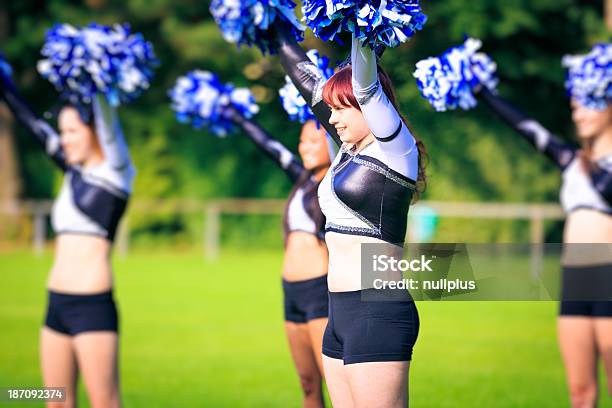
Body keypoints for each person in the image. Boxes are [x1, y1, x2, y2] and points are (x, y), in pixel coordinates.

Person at [275, 27, 427, 406]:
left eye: (343, 109)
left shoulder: (396, 150)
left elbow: (366, 84)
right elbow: (307, 83)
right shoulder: (346, 152)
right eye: (333, 110)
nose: (335, 119)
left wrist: (362, 27)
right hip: (337, 311)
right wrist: (274, 29)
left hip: (376, 312)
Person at [0, 66, 134, 408]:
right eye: (63, 131)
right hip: (55, 302)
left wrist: (97, 70)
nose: (65, 139)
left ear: (94, 131)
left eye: (73, 131)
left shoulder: (116, 172)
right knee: (54, 399)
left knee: (104, 401)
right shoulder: (72, 170)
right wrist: (5, 83)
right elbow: (30, 121)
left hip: (91, 306)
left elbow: (108, 117)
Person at [479, 84, 612, 408]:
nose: (576, 113)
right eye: (574, 106)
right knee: (580, 394)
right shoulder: (573, 161)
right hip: (575, 279)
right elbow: (525, 126)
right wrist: (483, 91)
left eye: (586, 105)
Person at [226, 105, 331, 407]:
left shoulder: (338, 186)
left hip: (319, 291)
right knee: (308, 384)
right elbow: (270, 146)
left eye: (313, 141)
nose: (304, 148)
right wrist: (237, 117)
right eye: (302, 141)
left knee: (335, 383)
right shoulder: (302, 180)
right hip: (291, 291)